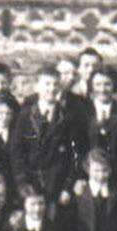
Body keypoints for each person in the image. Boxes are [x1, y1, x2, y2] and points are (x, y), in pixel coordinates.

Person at [11, 66, 76, 213]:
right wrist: (22, 182)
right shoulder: (25, 116)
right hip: (30, 185)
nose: (51, 89)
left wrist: (67, 188)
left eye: (55, 84)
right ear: (37, 87)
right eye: (47, 84)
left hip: (56, 186)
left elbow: (73, 156)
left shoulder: (67, 117)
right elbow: (16, 152)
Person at [65, 148, 117, 231]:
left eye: (105, 170)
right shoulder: (80, 193)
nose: (101, 175)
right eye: (96, 170)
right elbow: (72, 225)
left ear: (110, 170)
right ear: (88, 169)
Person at [85, 65, 117, 180]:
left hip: (114, 174)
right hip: (87, 174)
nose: (102, 89)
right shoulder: (82, 110)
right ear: (91, 86)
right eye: (98, 84)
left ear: (114, 85)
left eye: (107, 84)